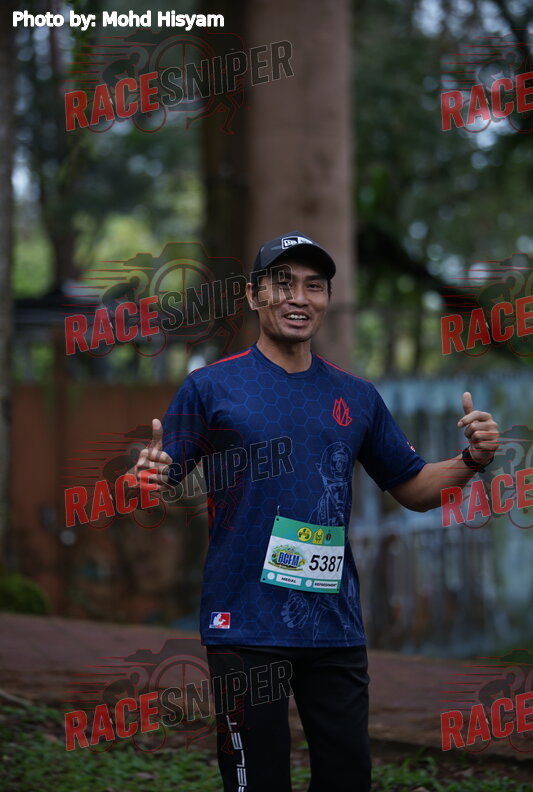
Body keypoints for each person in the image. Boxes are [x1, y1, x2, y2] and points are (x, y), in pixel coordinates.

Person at [127, 231, 500, 792]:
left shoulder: (357, 396)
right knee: (257, 780)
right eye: (282, 284)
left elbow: (415, 487)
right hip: (244, 622)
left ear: (327, 298)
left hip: (333, 625)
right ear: (254, 295)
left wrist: (474, 459)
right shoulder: (211, 387)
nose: (298, 297)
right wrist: (145, 477)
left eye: (314, 286)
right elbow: (159, 478)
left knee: (348, 776)